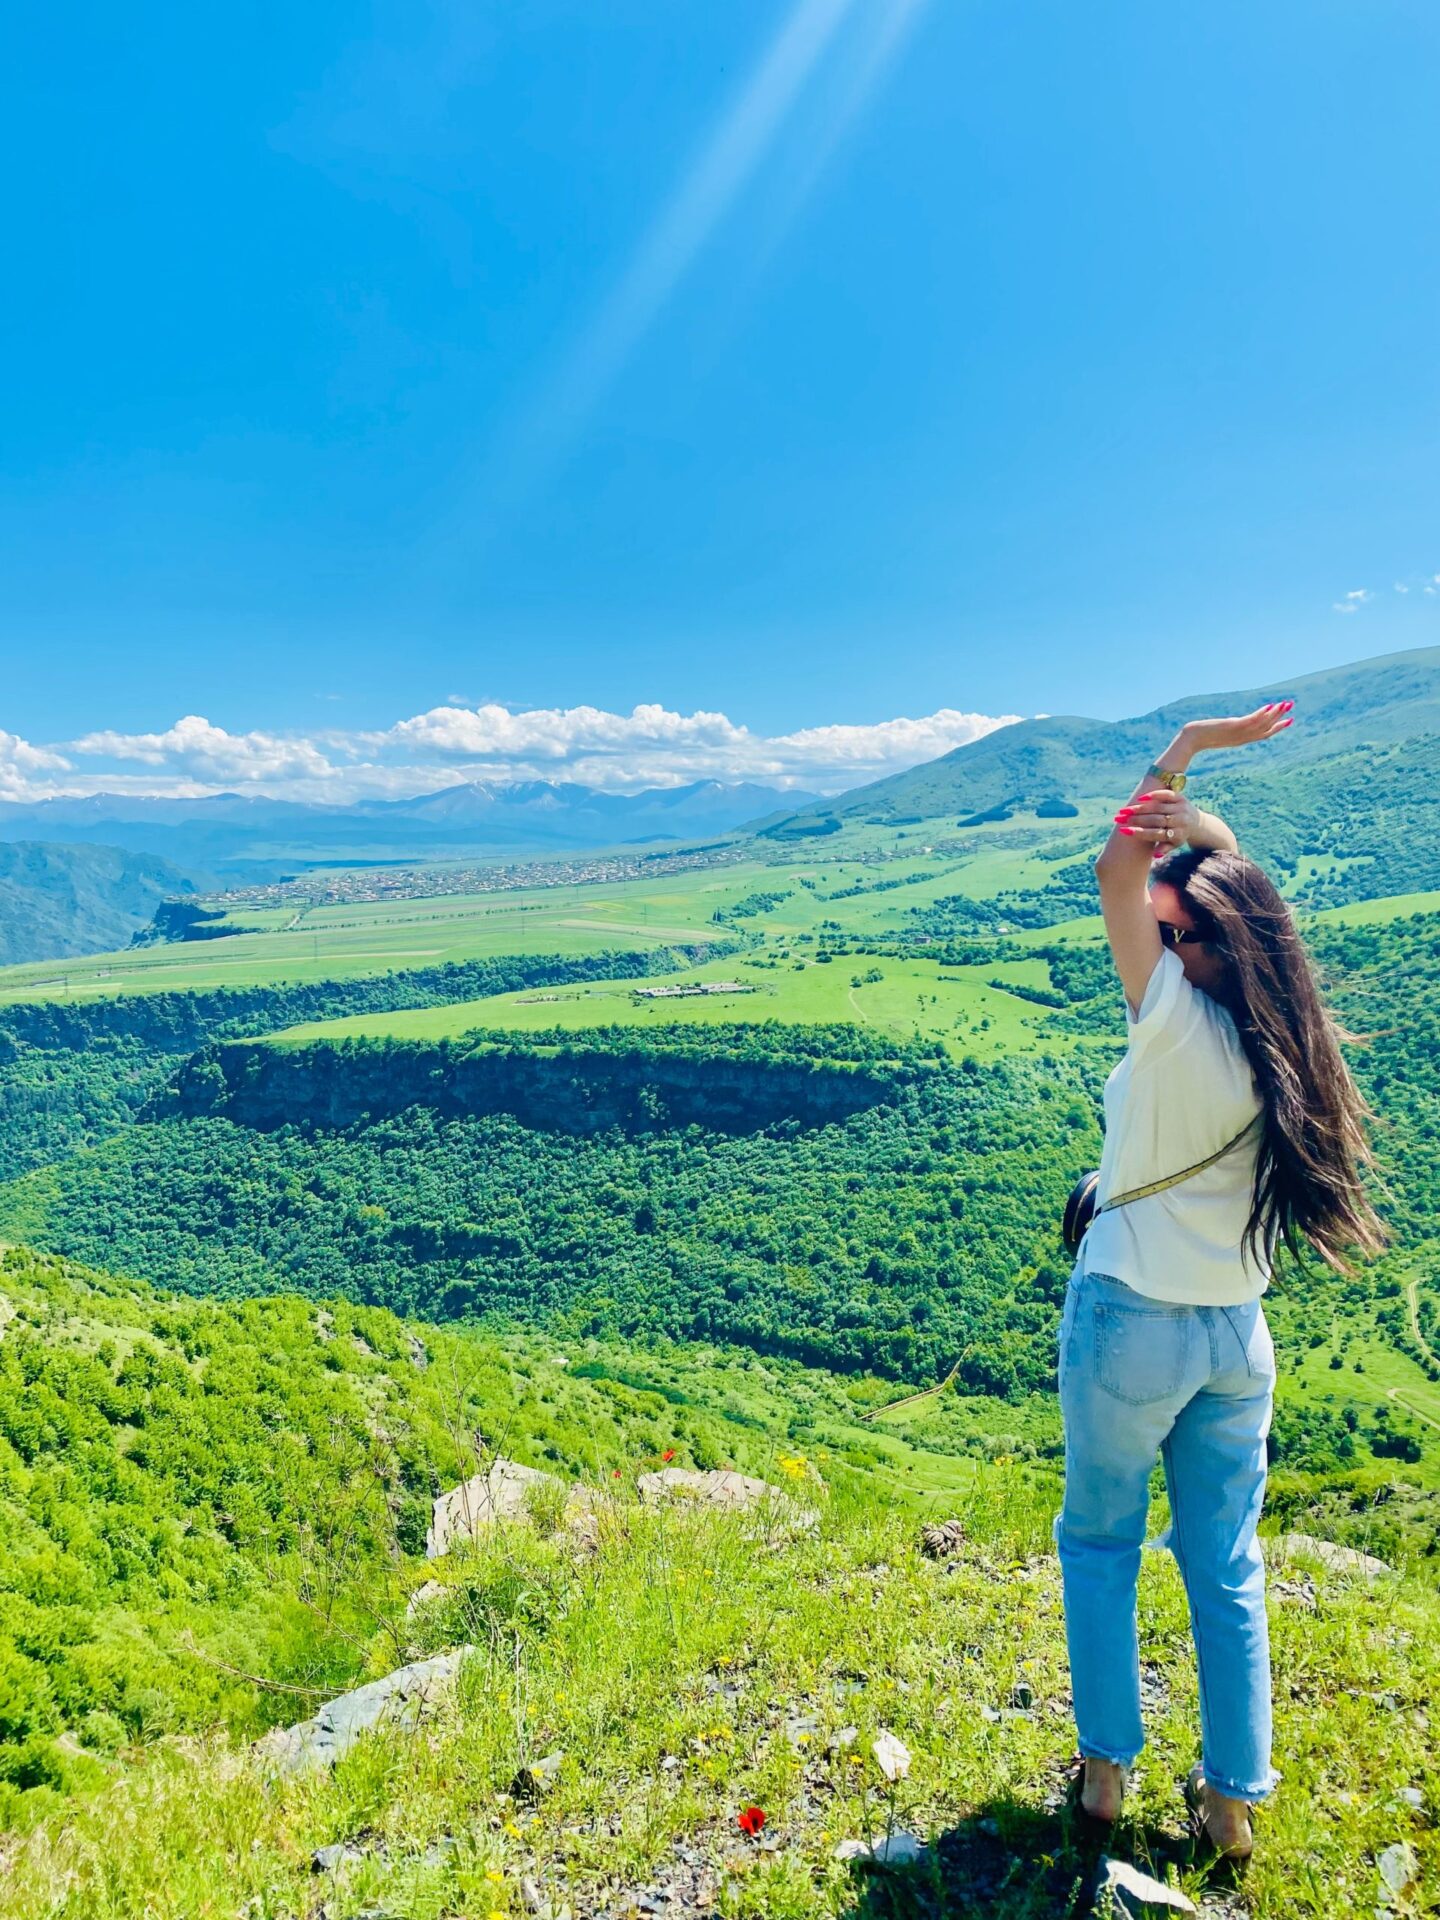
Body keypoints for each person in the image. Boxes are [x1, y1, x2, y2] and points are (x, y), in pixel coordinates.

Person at [1055, 700, 1385, 1859]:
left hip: (1130, 1322)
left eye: (1164, 924)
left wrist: (1187, 751)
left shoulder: (1171, 1022)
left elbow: (1116, 858)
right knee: (1226, 1566)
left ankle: (1103, 1785)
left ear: (1196, 946)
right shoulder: (1288, 1041)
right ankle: (1233, 1806)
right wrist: (1215, 833)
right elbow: (1225, 898)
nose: (1145, 930)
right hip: (1234, 1344)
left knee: (1099, 1543)